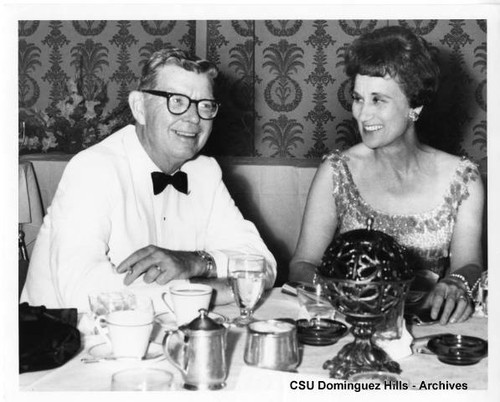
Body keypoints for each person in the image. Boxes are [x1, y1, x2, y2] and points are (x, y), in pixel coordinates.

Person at [21, 48, 276, 312]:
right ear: (139, 108)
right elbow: (81, 293)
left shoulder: (206, 172)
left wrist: (198, 262)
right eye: (176, 101)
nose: (193, 118)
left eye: (206, 105)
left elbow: (261, 266)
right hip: (62, 343)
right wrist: (204, 290)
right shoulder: (93, 168)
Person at [289, 26, 484, 325]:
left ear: (414, 106)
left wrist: (457, 282)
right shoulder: (336, 171)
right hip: (351, 322)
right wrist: (344, 296)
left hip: (428, 327)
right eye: (358, 98)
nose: (362, 114)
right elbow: (303, 264)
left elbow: (469, 264)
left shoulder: (462, 178)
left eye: (378, 99)